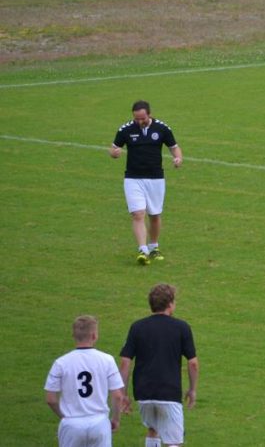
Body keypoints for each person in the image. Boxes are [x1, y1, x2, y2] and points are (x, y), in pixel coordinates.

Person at [119, 283, 199, 447]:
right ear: (170, 304)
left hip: (143, 393)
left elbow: (125, 361)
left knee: (153, 429)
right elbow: (193, 364)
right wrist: (192, 389)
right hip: (169, 392)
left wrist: (123, 393)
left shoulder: (137, 327)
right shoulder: (181, 327)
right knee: (174, 441)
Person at [110, 100, 183, 266]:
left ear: (149, 114)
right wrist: (114, 153)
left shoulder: (162, 128)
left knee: (154, 215)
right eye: (136, 118)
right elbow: (113, 148)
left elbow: (174, 147)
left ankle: (154, 246)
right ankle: (142, 250)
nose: (139, 122)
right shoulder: (126, 129)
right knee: (138, 214)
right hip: (133, 179)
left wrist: (178, 158)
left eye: (142, 118)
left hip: (156, 178)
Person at [45, 315, 127, 447]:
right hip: (99, 423)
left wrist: (65, 416)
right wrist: (116, 419)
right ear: (94, 336)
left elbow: (51, 399)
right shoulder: (107, 360)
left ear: (74, 336)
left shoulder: (60, 363)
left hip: (72, 425)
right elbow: (117, 396)